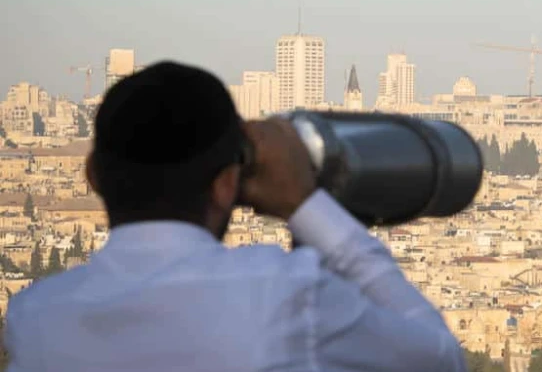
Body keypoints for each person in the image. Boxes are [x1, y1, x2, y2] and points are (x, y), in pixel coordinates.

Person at [3, 61, 467, 372]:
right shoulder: (286, 296)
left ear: (94, 175)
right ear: (227, 182)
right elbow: (439, 357)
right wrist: (304, 204)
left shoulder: (34, 318)